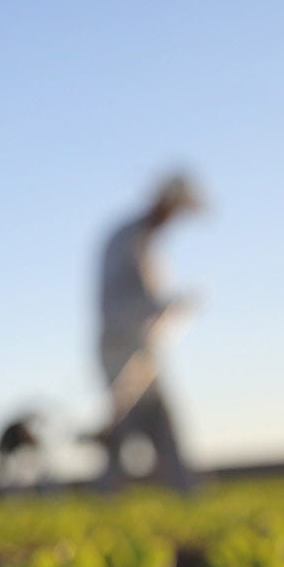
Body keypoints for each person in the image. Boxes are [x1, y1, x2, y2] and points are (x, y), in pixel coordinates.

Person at [92, 173, 203, 491]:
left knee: (160, 423)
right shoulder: (128, 239)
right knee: (125, 425)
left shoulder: (147, 242)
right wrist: (169, 305)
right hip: (121, 347)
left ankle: (185, 493)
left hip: (141, 348)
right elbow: (124, 299)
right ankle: (107, 498)